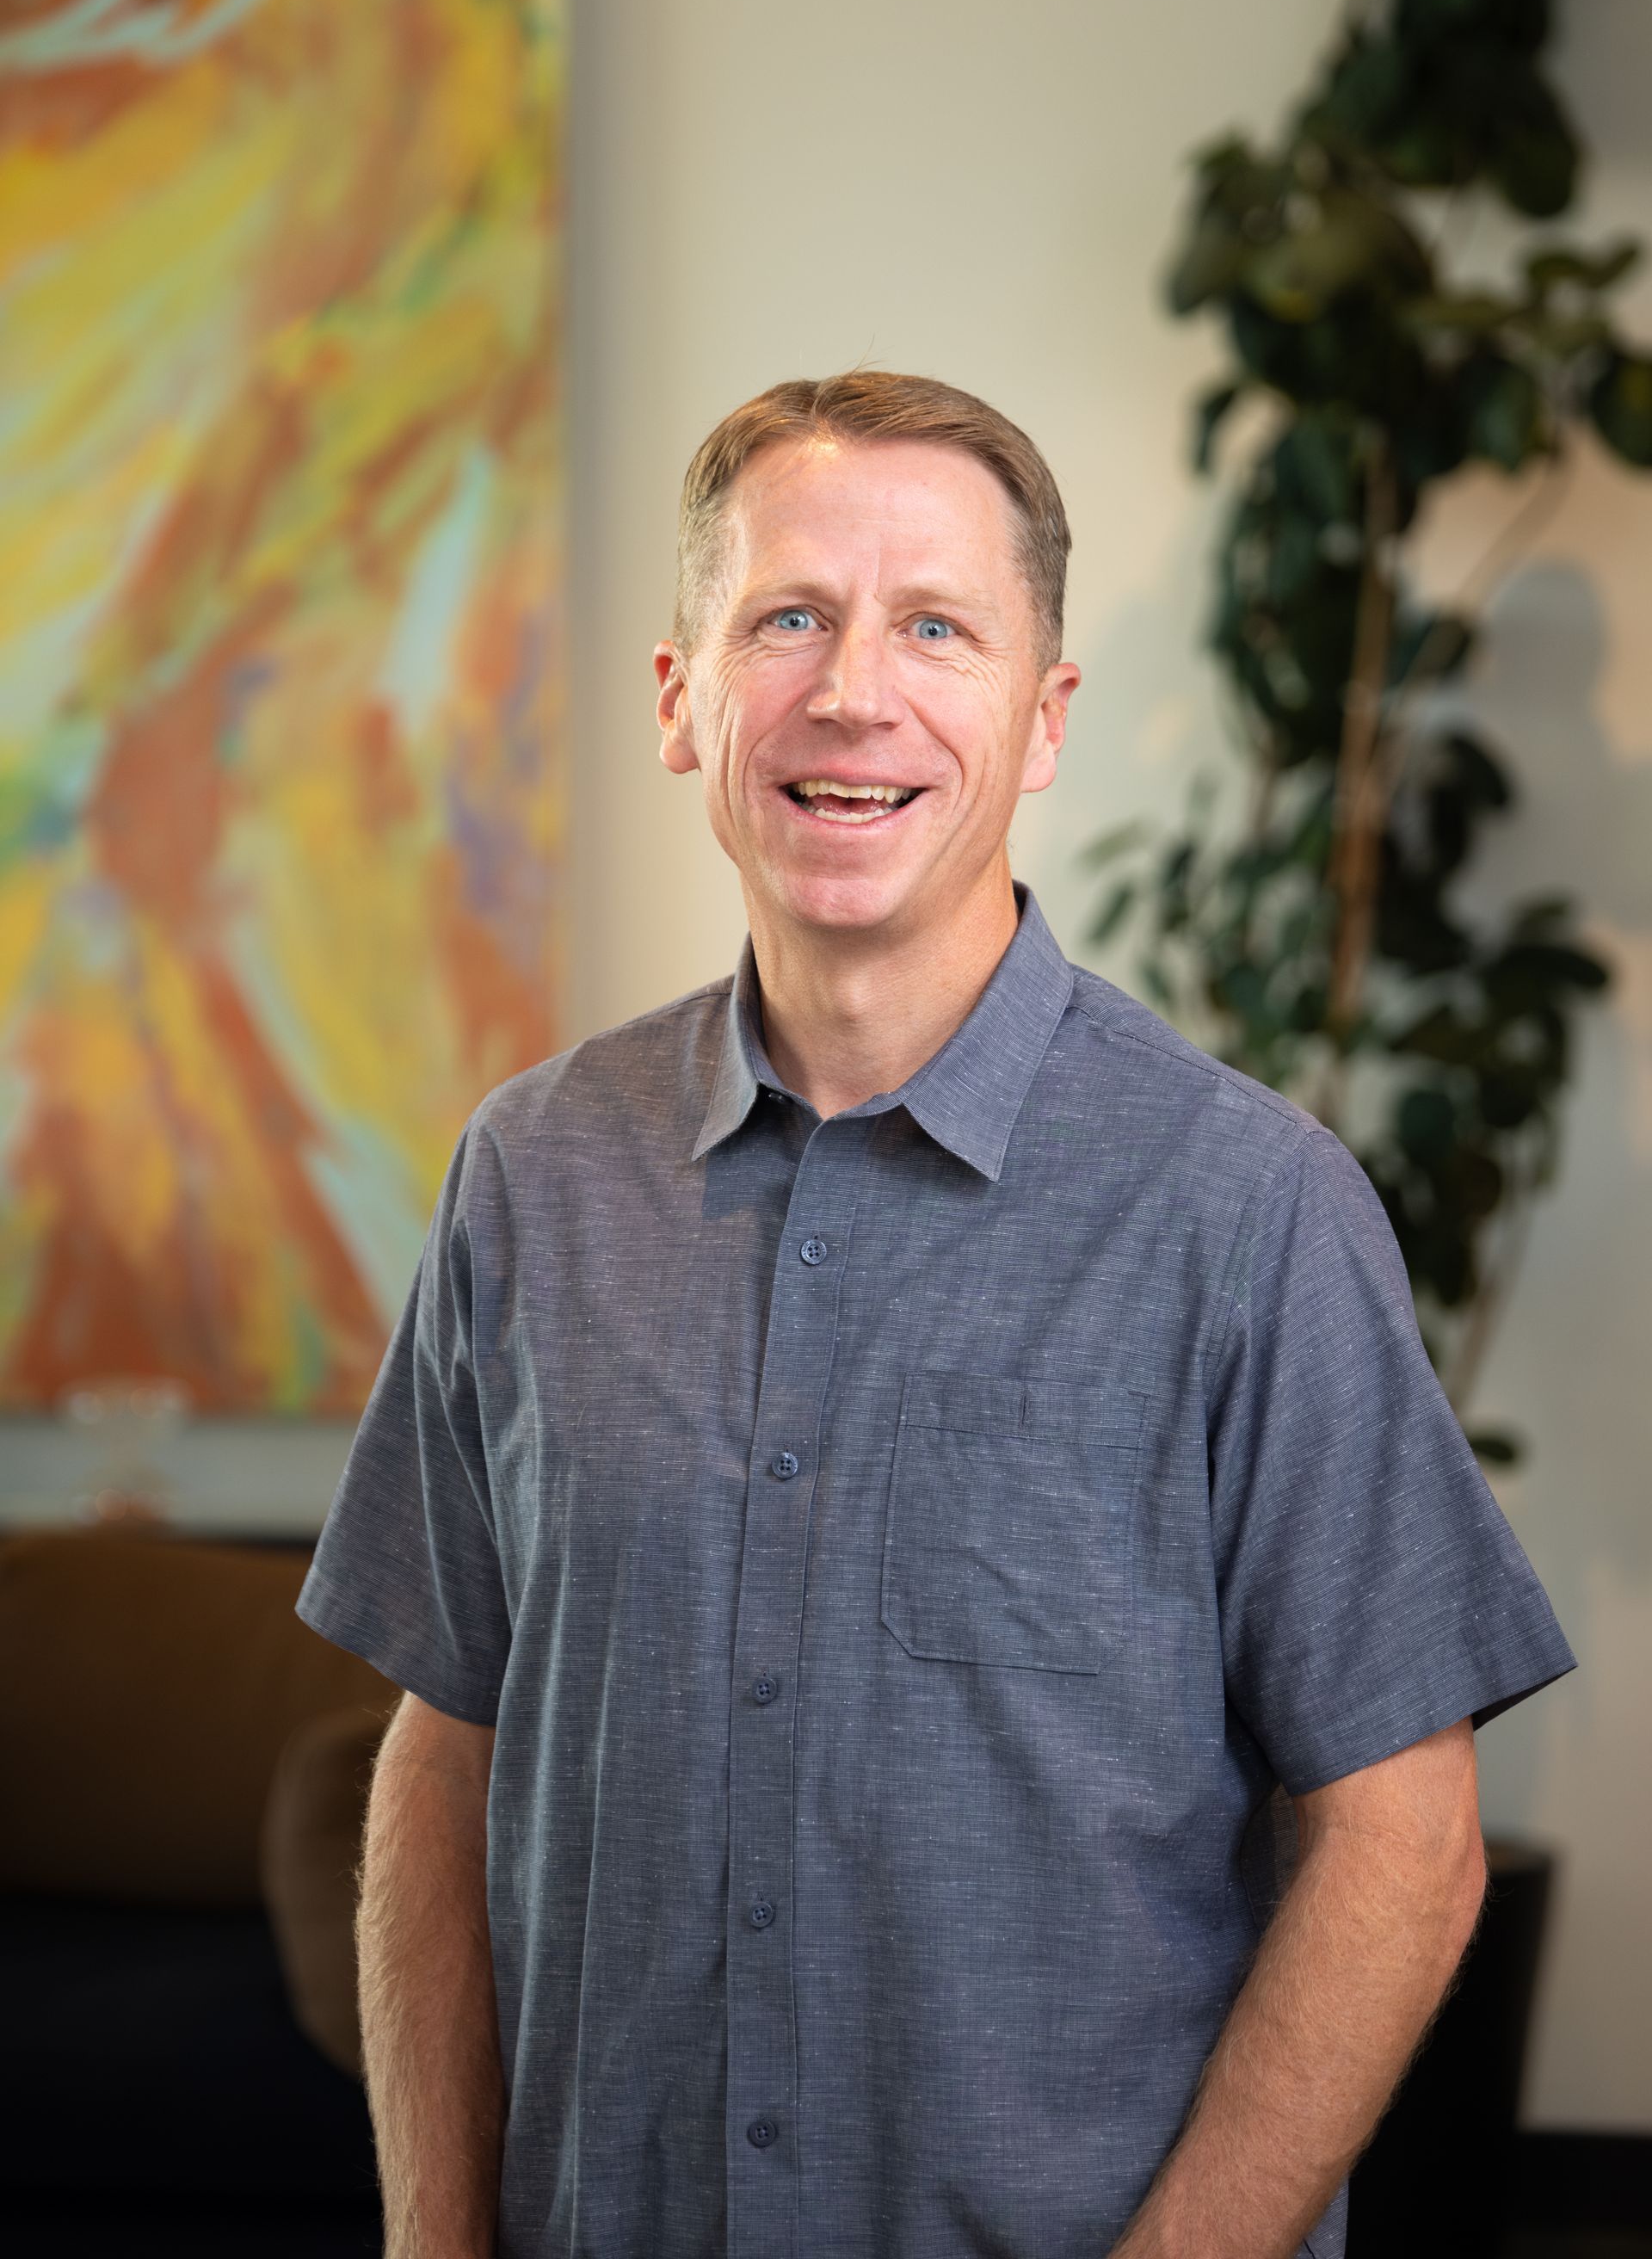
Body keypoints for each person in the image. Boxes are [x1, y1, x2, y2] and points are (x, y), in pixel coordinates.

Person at [299, 372, 1574, 2259]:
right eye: (789, 618)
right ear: (684, 700)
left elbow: (1404, 1838)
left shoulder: (1250, 1210)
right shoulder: (533, 1177)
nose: (852, 693)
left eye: (937, 629)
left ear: (1040, 719)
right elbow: (448, 1749)